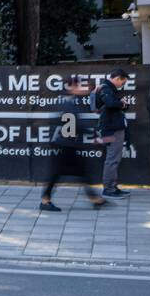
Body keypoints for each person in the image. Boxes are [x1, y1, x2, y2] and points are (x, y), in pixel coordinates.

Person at [40, 77, 107, 212]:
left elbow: (59, 122)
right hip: (65, 145)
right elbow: (76, 125)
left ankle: (95, 199)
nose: (82, 89)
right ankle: (45, 200)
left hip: (66, 144)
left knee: (77, 172)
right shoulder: (69, 103)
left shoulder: (67, 101)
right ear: (70, 87)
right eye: (78, 86)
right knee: (60, 173)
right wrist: (94, 135)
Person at [93, 68, 130, 196]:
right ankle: (109, 189)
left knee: (113, 158)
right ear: (117, 78)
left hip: (111, 127)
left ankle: (112, 187)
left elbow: (113, 105)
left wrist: (122, 104)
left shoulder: (107, 88)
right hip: (111, 129)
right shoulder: (106, 88)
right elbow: (110, 103)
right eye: (123, 82)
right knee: (112, 159)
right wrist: (122, 103)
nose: (122, 85)